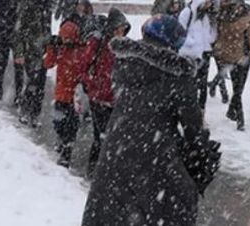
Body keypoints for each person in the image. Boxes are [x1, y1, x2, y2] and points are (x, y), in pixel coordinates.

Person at [81, 15, 221, 226]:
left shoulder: (125, 66)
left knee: (111, 213)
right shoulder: (177, 76)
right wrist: (203, 162)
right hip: (156, 167)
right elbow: (194, 133)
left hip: (115, 159)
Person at [79, 8, 131, 178]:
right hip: (99, 98)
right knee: (101, 136)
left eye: (123, 29)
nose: (120, 32)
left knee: (113, 137)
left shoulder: (126, 45)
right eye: (118, 29)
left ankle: (106, 172)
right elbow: (84, 66)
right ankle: (94, 171)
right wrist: (92, 84)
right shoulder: (99, 43)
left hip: (116, 99)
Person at [211, 0, 250, 131]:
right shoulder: (221, 16)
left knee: (238, 89)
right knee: (238, 89)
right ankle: (240, 121)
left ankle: (232, 112)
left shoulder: (225, 16)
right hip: (233, 56)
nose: (238, 8)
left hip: (242, 56)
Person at [46, 0, 90, 166]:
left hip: (74, 91)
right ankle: (64, 144)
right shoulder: (63, 48)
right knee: (61, 122)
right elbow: (48, 63)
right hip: (64, 89)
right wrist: (51, 47)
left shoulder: (81, 46)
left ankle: (66, 150)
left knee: (69, 124)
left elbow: (48, 63)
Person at [178, 0, 219, 112]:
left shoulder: (207, 16)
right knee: (190, 87)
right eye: (207, 2)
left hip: (205, 53)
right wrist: (191, 43)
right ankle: (190, 113)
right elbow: (179, 33)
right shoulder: (187, 13)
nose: (208, 5)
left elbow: (210, 34)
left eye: (210, 2)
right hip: (190, 55)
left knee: (202, 86)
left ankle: (201, 114)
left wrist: (210, 42)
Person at [14, 0, 49, 127]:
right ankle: (25, 110)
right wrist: (19, 52)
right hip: (30, 51)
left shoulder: (44, 10)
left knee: (40, 85)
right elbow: (19, 31)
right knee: (33, 82)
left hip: (43, 52)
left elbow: (47, 30)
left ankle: (35, 114)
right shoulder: (28, 7)